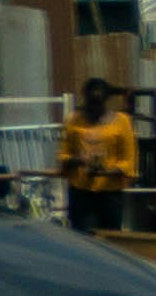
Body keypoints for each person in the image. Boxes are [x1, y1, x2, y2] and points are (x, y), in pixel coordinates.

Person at [54, 78, 144, 230]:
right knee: (85, 237)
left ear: (106, 100)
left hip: (110, 193)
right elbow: (64, 155)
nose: (93, 108)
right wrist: (78, 161)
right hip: (81, 192)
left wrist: (106, 172)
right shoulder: (73, 121)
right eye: (90, 103)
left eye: (98, 103)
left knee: (110, 239)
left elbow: (129, 161)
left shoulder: (122, 121)